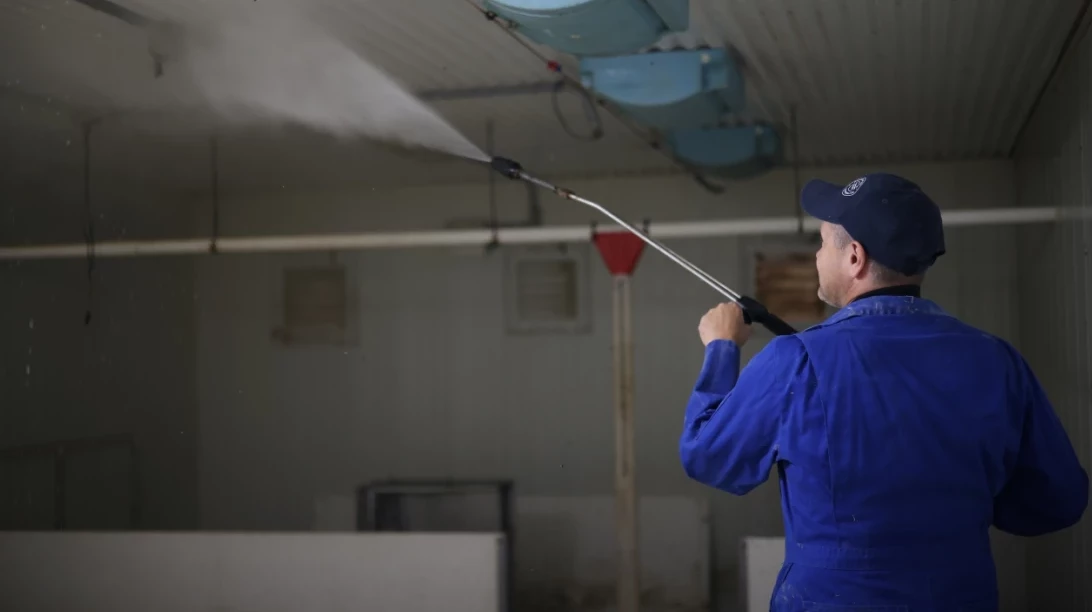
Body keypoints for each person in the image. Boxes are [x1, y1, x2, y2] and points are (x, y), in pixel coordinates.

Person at [678, 173, 1089, 611]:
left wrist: (721, 349)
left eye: (821, 244)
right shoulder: (998, 361)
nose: (817, 256)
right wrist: (962, 512)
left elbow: (709, 456)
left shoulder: (794, 361)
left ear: (854, 256)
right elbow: (1057, 501)